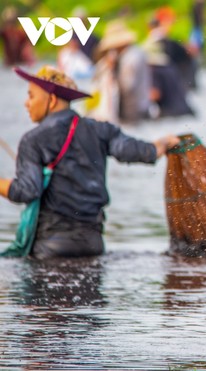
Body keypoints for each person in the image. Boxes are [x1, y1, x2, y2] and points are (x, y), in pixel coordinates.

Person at [0, 66, 179, 259]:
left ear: (51, 100)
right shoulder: (99, 129)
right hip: (93, 246)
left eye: (31, 96)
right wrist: (161, 145)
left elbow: (25, 191)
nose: (27, 104)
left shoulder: (33, 140)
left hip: (50, 248)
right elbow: (136, 151)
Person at [95, 20, 151, 124]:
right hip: (141, 106)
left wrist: (113, 72)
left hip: (133, 110)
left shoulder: (129, 59)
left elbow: (127, 86)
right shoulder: (136, 52)